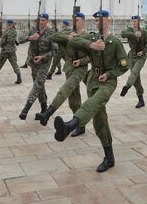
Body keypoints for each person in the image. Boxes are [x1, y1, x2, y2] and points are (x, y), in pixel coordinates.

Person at [53, 9, 129, 173]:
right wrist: (91, 45)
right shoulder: (92, 38)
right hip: (93, 81)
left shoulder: (115, 42)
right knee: (99, 119)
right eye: (95, 20)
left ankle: (71, 124)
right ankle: (109, 158)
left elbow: (124, 66)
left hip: (108, 83)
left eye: (100, 19)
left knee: (93, 102)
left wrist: (109, 74)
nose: (97, 22)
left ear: (107, 20)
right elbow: (73, 41)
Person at [37, 13, 90, 131]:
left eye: (78, 20)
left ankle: (47, 113)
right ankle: (80, 125)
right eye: (74, 20)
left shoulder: (87, 36)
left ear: (83, 21)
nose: (76, 22)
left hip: (80, 69)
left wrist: (81, 61)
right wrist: (68, 37)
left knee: (65, 89)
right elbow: (54, 37)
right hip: (69, 67)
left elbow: (91, 56)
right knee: (74, 101)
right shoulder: (69, 33)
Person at [17, 12, 55, 120]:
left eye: (43, 20)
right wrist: (30, 38)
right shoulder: (33, 30)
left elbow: (55, 50)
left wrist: (43, 57)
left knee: (37, 85)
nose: (41, 22)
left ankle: (25, 109)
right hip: (34, 63)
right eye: (40, 20)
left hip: (44, 63)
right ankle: (44, 108)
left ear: (47, 21)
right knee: (39, 86)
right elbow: (19, 40)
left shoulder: (51, 33)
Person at [120, 14, 147, 108]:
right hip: (132, 56)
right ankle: (141, 100)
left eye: (136, 21)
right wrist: (134, 34)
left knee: (134, 73)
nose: (134, 23)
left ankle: (127, 86)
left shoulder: (144, 32)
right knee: (136, 79)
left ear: (139, 22)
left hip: (141, 57)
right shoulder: (129, 30)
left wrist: (143, 52)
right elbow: (123, 34)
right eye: (133, 21)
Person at [0, 19, 22, 84]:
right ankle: (19, 77)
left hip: (5, 50)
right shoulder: (14, 31)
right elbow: (15, 40)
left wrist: (1, 45)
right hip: (12, 50)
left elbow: (3, 41)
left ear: (8, 24)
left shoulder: (6, 32)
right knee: (14, 64)